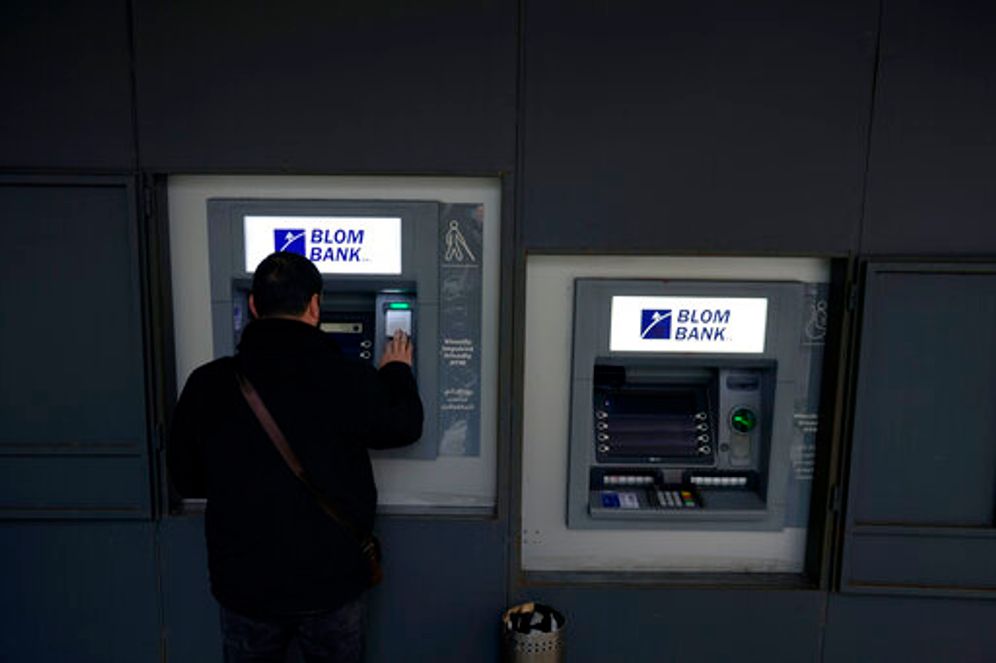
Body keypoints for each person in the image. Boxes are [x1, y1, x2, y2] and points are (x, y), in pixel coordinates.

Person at [168, 251, 423, 663]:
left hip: (245, 587)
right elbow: (405, 426)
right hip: (332, 584)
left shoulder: (207, 384)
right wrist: (395, 370)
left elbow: (188, 479)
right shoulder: (349, 378)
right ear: (315, 305)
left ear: (253, 306)